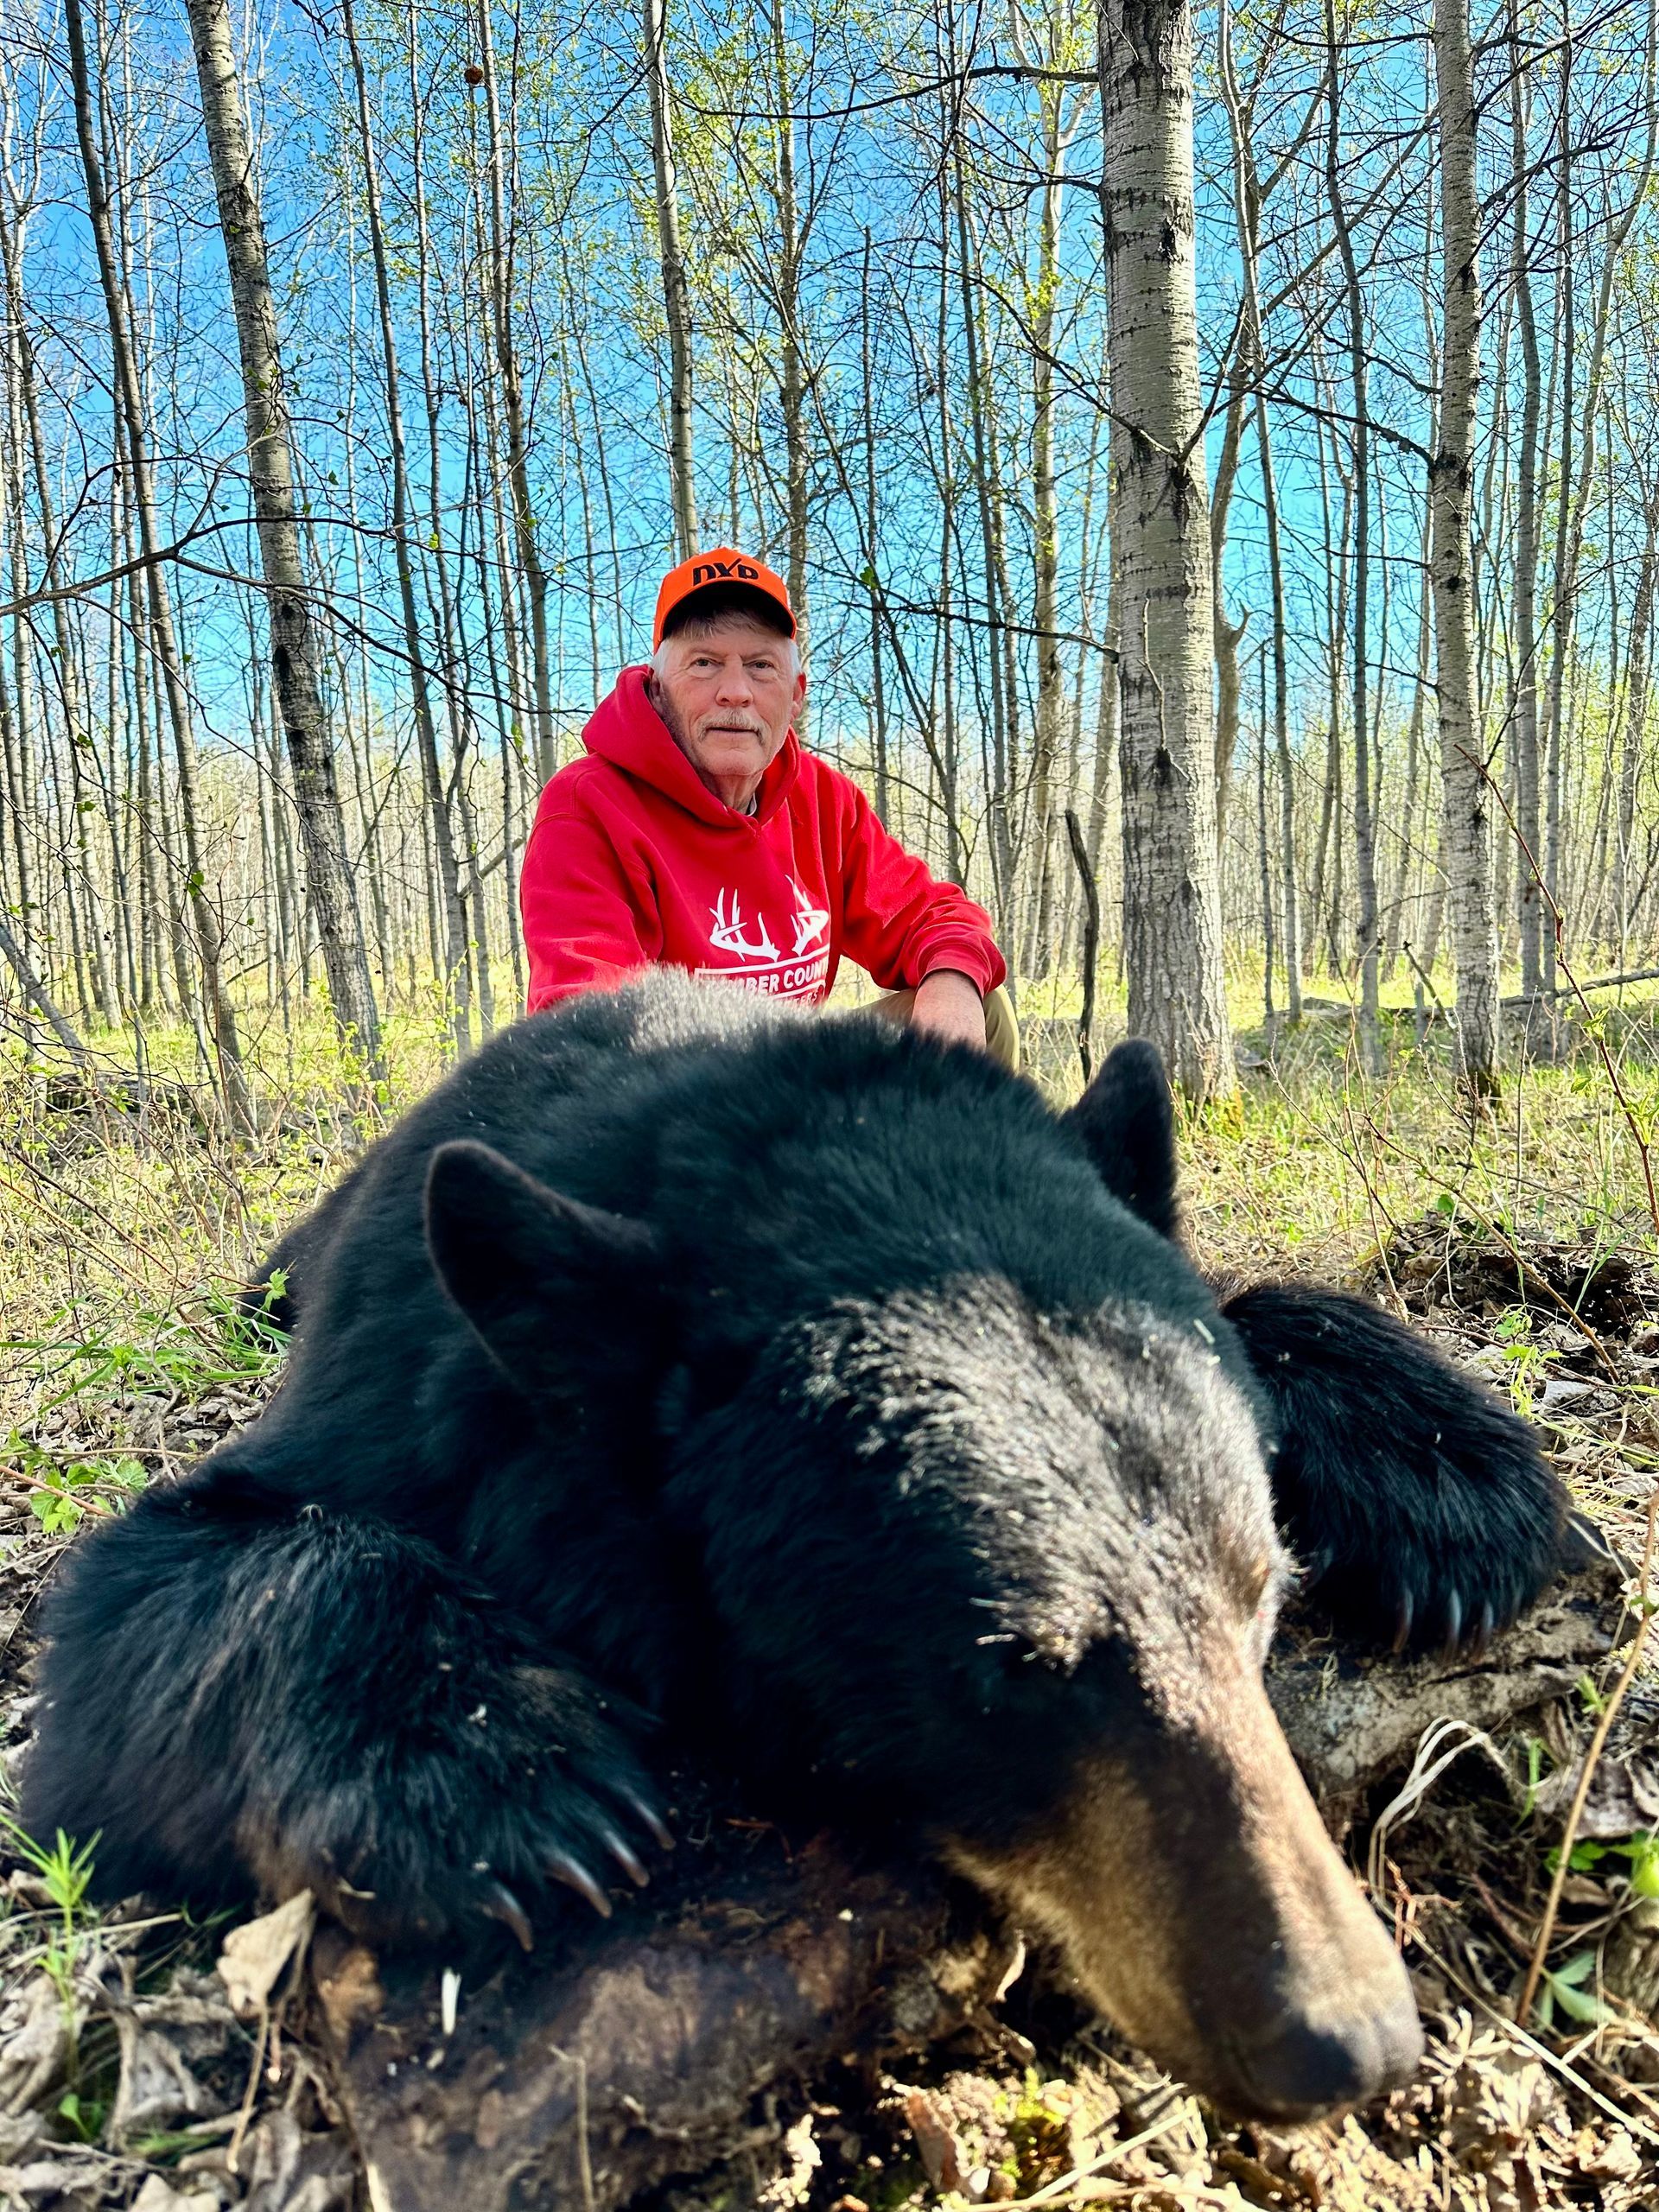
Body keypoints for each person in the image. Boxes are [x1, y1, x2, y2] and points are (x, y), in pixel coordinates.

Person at [518, 547, 1017, 1065]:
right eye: (704, 663)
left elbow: (929, 914)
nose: (734, 692)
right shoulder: (588, 806)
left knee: (981, 1003)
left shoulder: (824, 800)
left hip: (792, 1076)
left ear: (796, 695)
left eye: (760, 666)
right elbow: (585, 1025)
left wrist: (952, 983)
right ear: (659, 690)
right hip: (670, 1101)